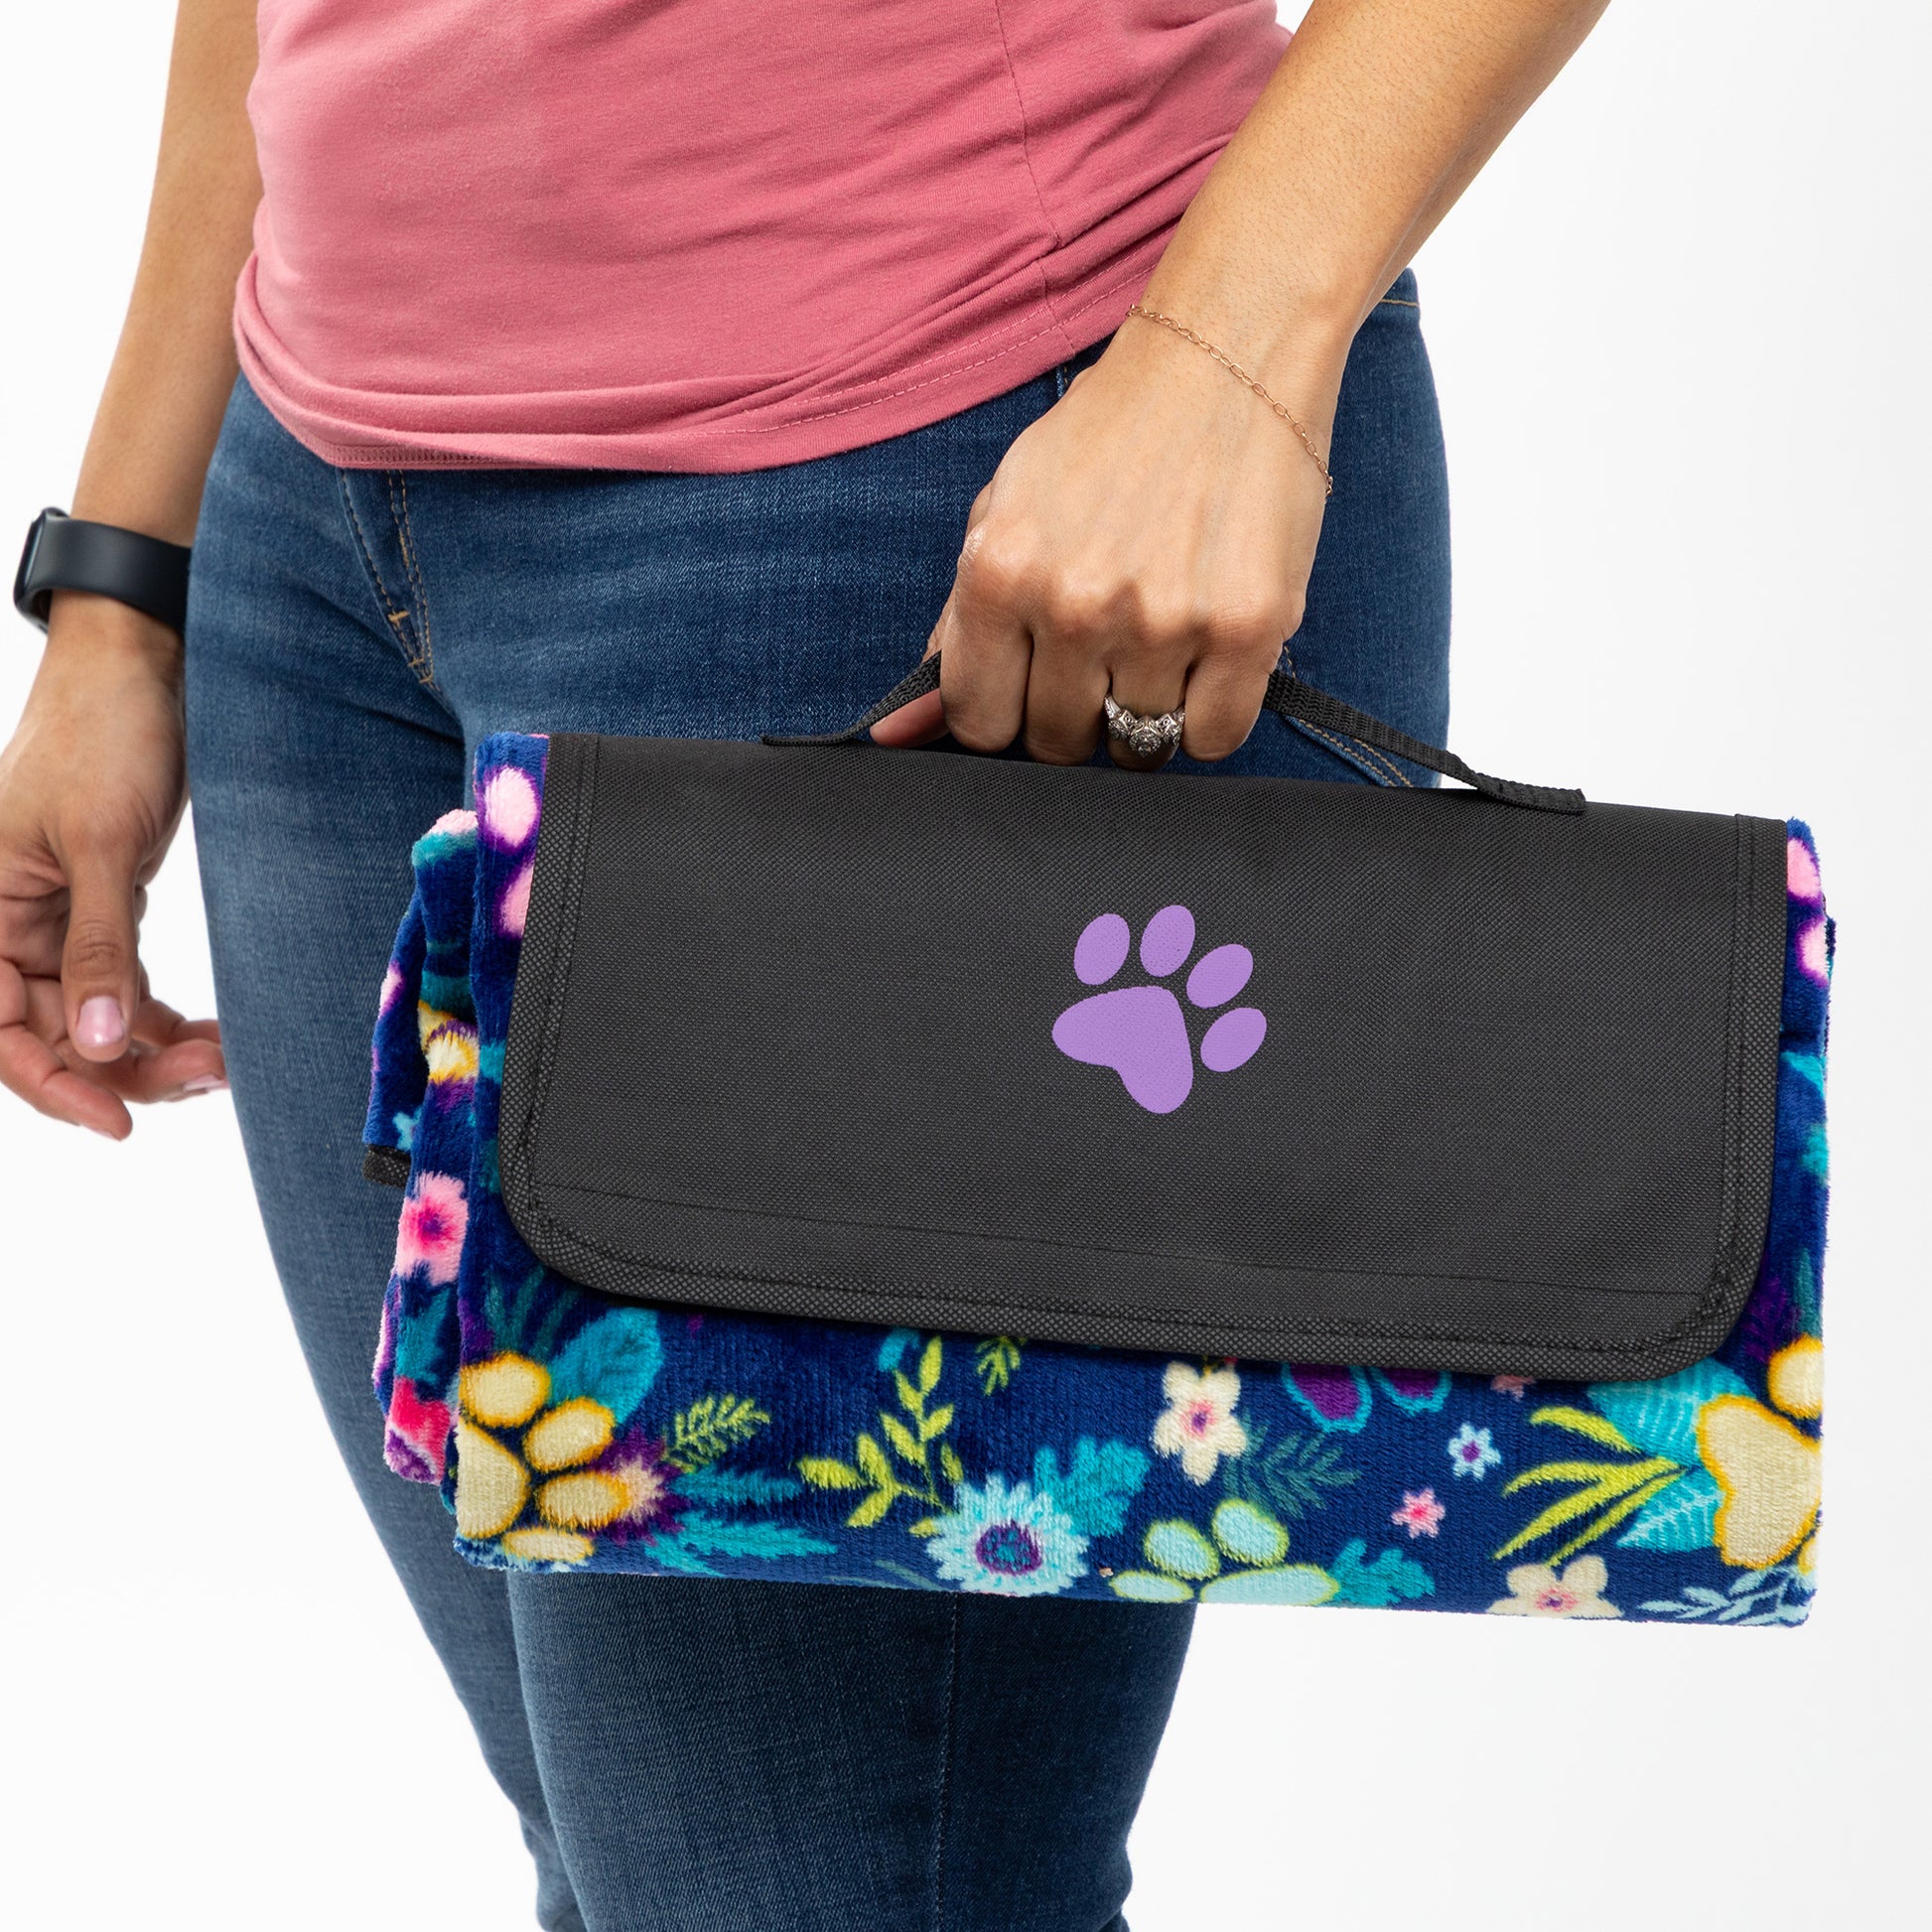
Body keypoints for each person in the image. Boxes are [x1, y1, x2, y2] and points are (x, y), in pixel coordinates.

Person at [0, 2, 1610, 1926]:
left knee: (803, 1887)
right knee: (637, 1860)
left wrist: (1227, 364)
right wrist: (130, 578)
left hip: (934, 511)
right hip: (324, 549)